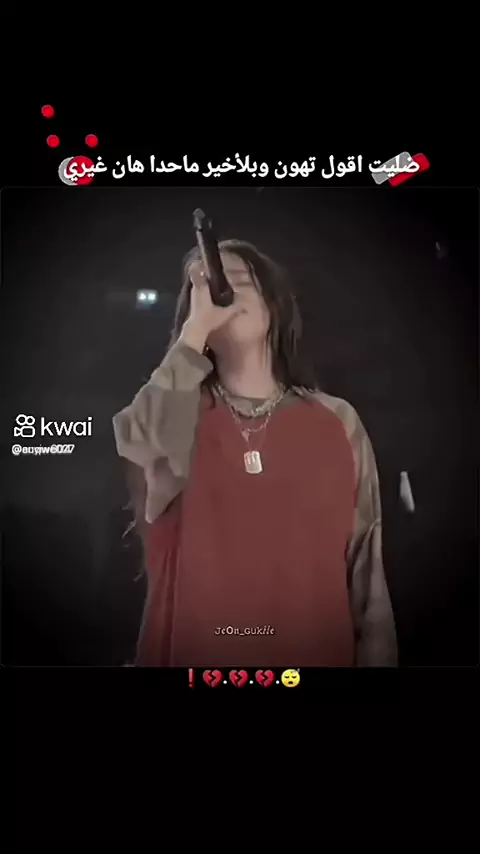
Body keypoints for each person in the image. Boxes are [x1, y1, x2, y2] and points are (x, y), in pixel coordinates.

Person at [113, 239, 397, 667]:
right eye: (204, 284)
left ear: (273, 305)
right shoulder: (178, 414)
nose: (220, 288)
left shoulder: (337, 420)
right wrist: (196, 330)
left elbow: (367, 575)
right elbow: (140, 440)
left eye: (239, 279)